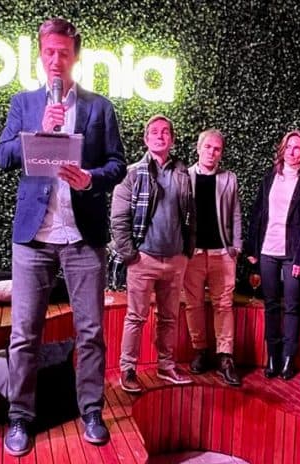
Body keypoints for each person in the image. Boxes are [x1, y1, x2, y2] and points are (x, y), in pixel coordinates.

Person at [0, 17, 126, 457]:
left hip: (83, 236)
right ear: (40, 54)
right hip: (34, 237)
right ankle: (19, 416)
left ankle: (91, 410)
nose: (56, 59)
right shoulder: (25, 103)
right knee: (24, 334)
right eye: (49, 52)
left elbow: (117, 164)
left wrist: (91, 179)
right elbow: (2, 156)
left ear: (75, 56)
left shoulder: (99, 108)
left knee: (90, 332)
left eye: (63, 52)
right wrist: (39, 130)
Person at [112, 114, 195, 393]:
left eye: (165, 132)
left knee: (170, 318)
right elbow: (118, 219)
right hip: (143, 259)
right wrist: (130, 255)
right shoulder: (132, 173)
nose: (160, 136)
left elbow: (191, 216)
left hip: (175, 260)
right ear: (146, 139)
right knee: (136, 317)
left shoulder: (183, 173)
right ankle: (128, 369)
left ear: (172, 139)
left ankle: (166, 365)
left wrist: (186, 252)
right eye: (155, 132)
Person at [246, 130, 300, 381]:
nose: (291, 151)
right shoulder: (270, 178)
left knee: (292, 306)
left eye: (297, 147)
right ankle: (273, 357)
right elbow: (257, 213)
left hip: (292, 254)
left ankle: (288, 358)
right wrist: (252, 249)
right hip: (267, 250)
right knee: (271, 305)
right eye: (288, 146)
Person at [183, 129, 242, 386]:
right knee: (193, 304)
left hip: (222, 253)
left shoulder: (229, 178)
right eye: (208, 147)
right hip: (193, 254)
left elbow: (236, 213)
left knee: (224, 305)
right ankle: (200, 350)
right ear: (198, 148)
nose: (212, 152)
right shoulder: (184, 176)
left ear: (221, 153)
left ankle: (225, 356)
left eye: (217, 149)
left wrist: (236, 246)